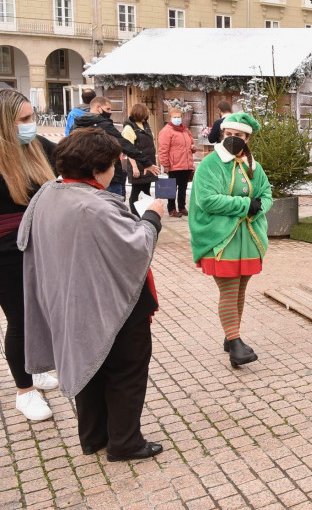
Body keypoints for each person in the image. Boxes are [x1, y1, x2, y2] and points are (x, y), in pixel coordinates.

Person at [19, 128, 166, 461]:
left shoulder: (48, 192)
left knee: (92, 366)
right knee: (127, 371)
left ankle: (94, 437)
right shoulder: (93, 205)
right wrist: (153, 216)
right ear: (98, 169)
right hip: (111, 303)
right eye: (113, 163)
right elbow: (137, 246)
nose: (116, 169)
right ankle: (125, 443)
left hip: (72, 300)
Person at [188, 113, 272, 368]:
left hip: (247, 238)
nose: (234, 140)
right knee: (228, 289)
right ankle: (236, 345)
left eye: (240, 136)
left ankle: (230, 334)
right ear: (223, 135)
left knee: (240, 289)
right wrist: (247, 205)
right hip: (220, 238)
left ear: (248, 139)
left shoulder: (252, 165)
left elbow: (266, 193)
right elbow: (207, 200)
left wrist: (259, 207)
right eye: (230, 135)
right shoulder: (210, 164)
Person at [0, 89, 59, 421]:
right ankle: (25, 392)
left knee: (40, 313)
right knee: (19, 320)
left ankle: (34, 367)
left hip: (38, 247)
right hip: (6, 255)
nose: (30, 125)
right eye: (23, 120)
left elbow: (69, 158)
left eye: (31, 117)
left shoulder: (36, 147)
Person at [73, 96, 159, 197]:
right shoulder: (103, 124)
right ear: (97, 107)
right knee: (115, 207)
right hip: (107, 175)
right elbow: (124, 144)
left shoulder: (76, 125)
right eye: (107, 109)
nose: (110, 112)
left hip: (84, 176)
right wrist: (146, 162)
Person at [157, 106, 196, 217]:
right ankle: (171, 208)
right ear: (170, 118)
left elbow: (191, 144)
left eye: (179, 117)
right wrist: (165, 164)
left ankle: (182, 207)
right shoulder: (166, 131)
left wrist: (193, 148)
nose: (177, 119)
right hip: (174, 164)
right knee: (171, 187)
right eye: (175, 117)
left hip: (185, 164)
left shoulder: (185, 130)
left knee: (183, 187)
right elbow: (163, 149)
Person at [122, 103, 158, 216]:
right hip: (137, 164)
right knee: (135, 191)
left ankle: (146, 213)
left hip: (148, 163)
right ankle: (134, 215)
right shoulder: (129, 127)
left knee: (146, 190)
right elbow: (129, 149)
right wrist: (134, 167)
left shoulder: (146, 125)